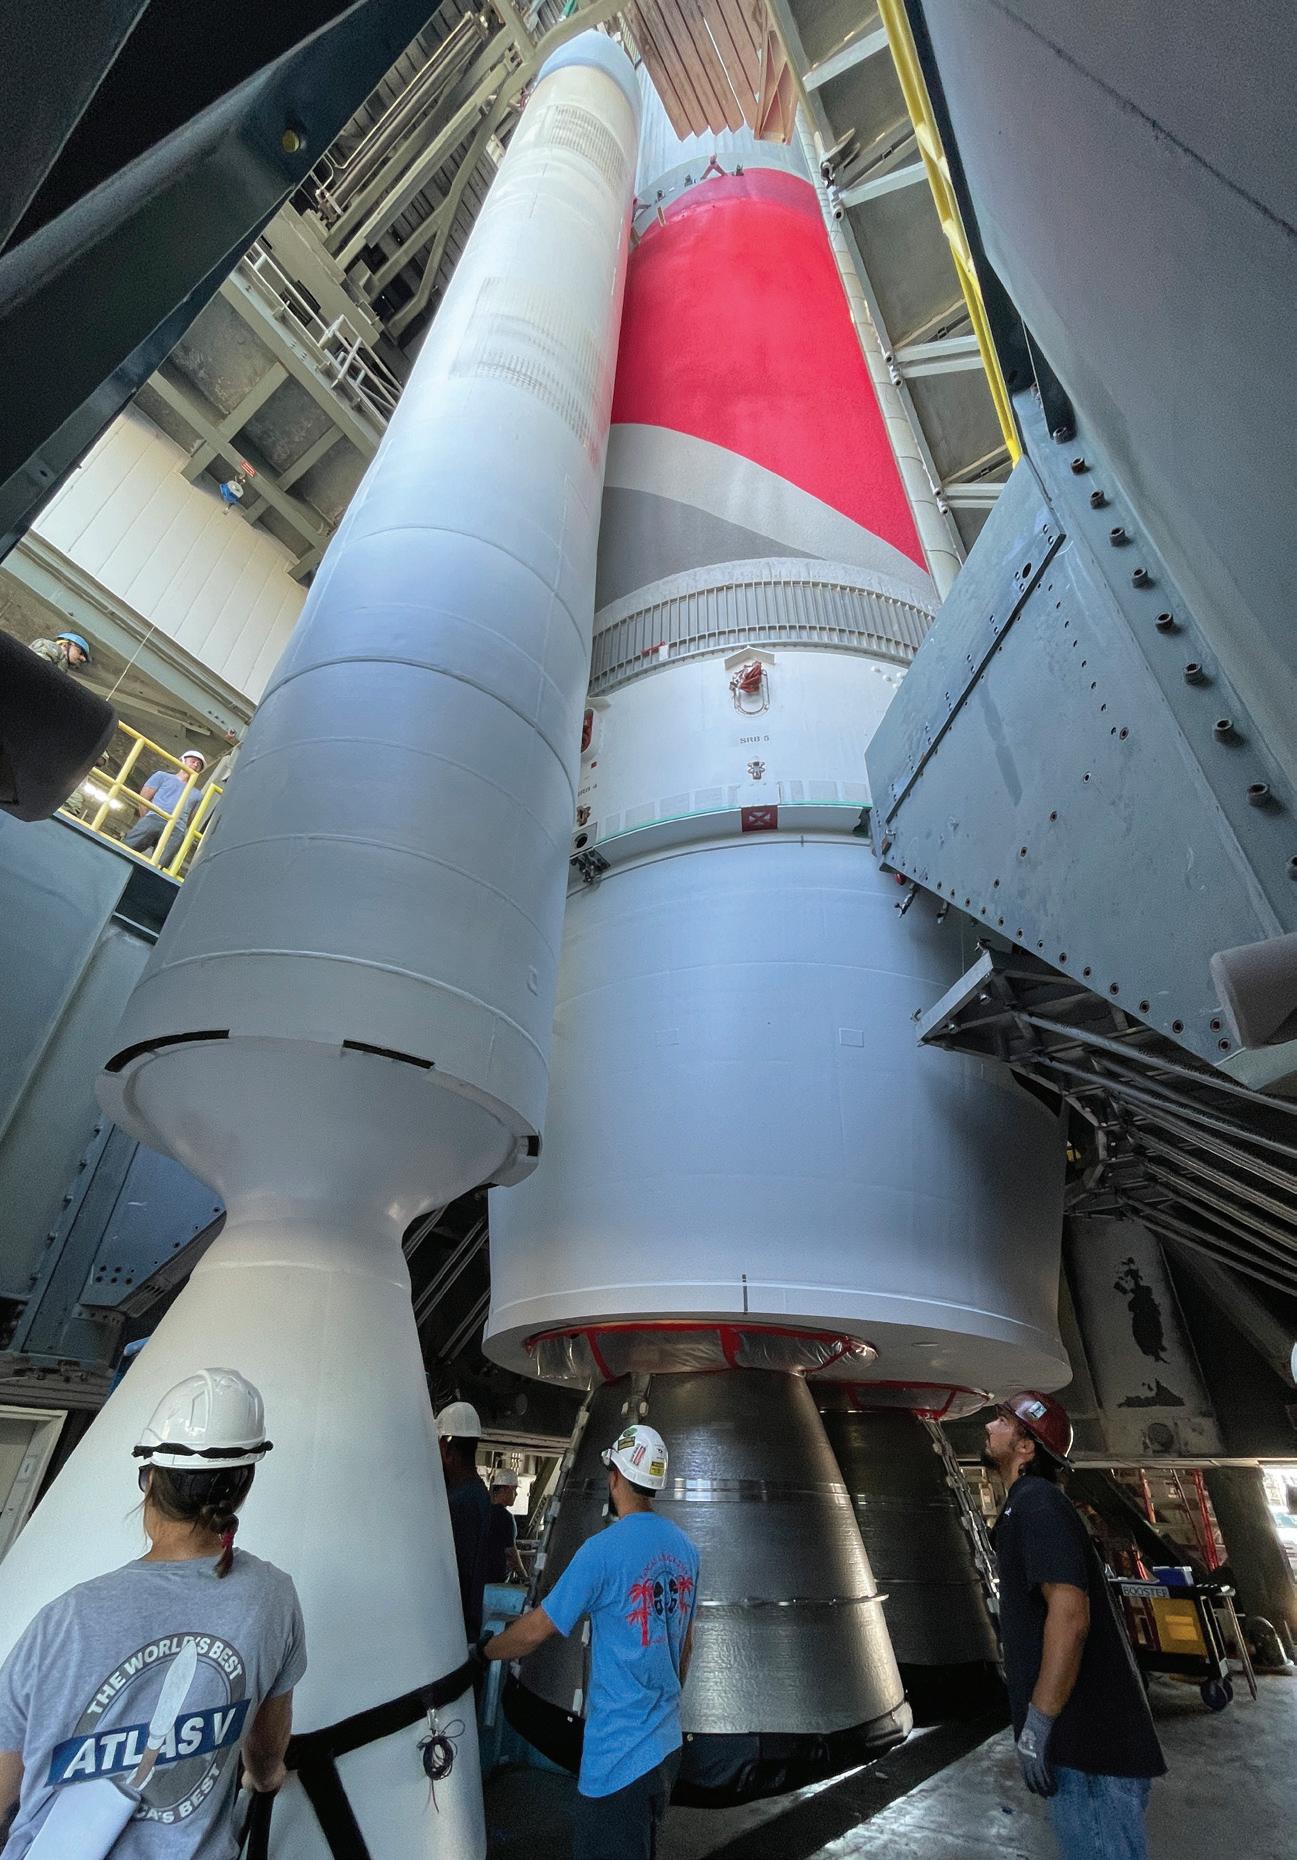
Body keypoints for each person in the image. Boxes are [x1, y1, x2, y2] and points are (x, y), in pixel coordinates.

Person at [0, 1368, 306, 1858]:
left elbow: (3, 1785)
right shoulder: (272, 1598)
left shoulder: (64, 1620)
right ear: (243, 1486)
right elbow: (266, 1761)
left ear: (149, 1478)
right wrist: (265, 1778)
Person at [478, 1422, 699, 1860]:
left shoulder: (602, 1551)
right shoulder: (685, 1548)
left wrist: (486, 1651)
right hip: (665, 1747)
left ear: (615, 1476)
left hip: (618, 1756)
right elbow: (686, 1646)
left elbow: (537, 1630)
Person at [984, 1391, 1166, 1860]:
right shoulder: (1027, 1505)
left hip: (1091, 1752)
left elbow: (1070, 1619)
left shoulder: (1038, 1505)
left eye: (1002, 1421)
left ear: (1026, 1447)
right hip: (1084, 1748)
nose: (988, 1426)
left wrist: (1038, 1724)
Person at [436, 1401, 490, 1641]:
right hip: (464, 1627)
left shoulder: (458, 1502)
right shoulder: (478, 1494)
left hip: (451, 1628)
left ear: (446, 1449)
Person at [125, 752, 207, 856]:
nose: (195, 765)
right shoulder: (162, 776)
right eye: (193, 761)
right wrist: (146, 819)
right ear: (182, 760)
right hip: (154, 818)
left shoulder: (198, 795)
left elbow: (191, 819)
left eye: (199, 764)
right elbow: (143, 798)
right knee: (126, 849)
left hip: (177, 829)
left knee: (161, 862)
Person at [484, 1470, 529, 1586]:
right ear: (505, 1489)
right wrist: (524, 1577)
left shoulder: (483, 1511)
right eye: (514, 1490)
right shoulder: (505, 1517)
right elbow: (511, 1553)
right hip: (495, 1579)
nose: (516, 1494)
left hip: (480, 1577)